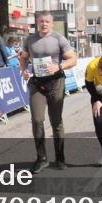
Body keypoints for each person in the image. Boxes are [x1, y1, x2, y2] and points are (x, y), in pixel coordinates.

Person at [20, 10, 77, 173]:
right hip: (37, 83)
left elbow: (73, 59)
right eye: (41, 21)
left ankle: (60, 158)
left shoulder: (59, 38)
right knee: (37, 120)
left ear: (51, 24)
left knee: (56, 121)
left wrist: (58, 66)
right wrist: (23, 70)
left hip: (56, 81)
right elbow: (24, 56)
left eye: (47, 21)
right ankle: (42, 158)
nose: (44, 24)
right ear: (37, 23)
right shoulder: (30, 39)